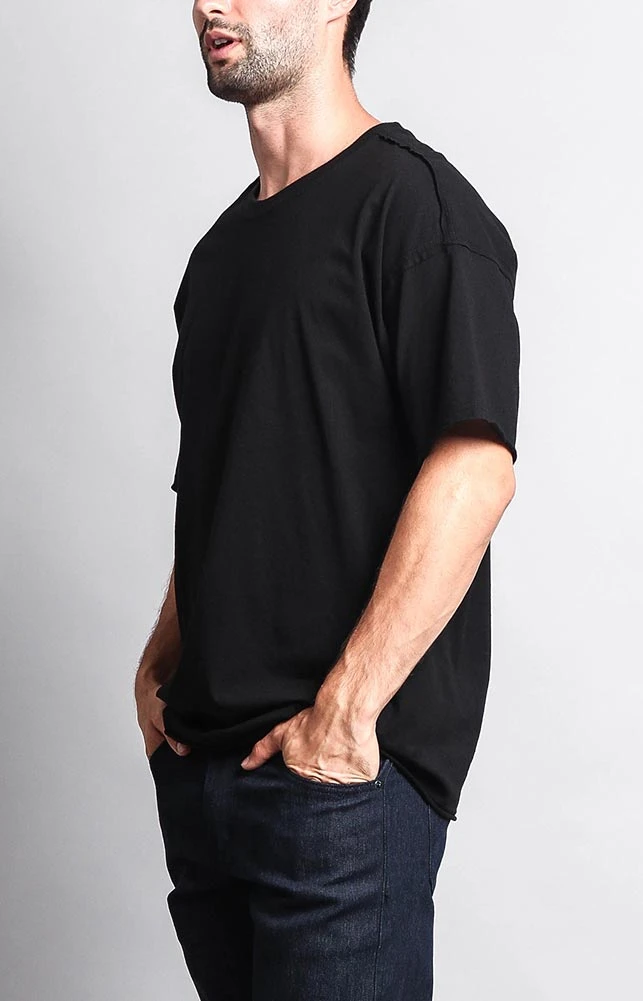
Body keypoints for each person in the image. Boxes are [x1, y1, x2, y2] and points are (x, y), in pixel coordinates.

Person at [134, 1, 521, 998]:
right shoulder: (217, 258)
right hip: (206, 777)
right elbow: (225, 482)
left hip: (337, 796)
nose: (209, 5)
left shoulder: (420, 210)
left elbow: (475, 468)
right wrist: (160, 657)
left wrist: (345, 712)